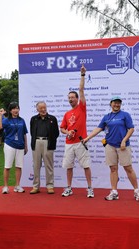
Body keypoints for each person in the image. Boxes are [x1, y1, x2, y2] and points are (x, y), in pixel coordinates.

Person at [83, 96, 139, 201]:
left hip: (123, 146)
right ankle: (114, 192)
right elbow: (98, 128)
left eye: (118, 103)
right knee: (113, 169)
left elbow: (131, 129)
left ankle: (137, 191)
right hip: (110, 145)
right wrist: (88, 138)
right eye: (115, 103)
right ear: (111, 104)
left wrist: (124, 140)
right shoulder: (107, 117)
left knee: (128, 168)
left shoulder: (125, 115)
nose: (116, 105)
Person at [60, 65, 94, 198]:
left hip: (81, 142)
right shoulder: (67, 114)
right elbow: (62, 128)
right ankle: (68, 188)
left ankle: (90, 188)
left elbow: (81, 89)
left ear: (77, 98)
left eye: (72, 97)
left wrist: (82, 75)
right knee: (68, 167)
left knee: (86, 166)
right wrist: (67, 132)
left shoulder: (82, 108)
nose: (70, 99)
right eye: (69, 97)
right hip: (69, 143)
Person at [0, 102, 28, 194]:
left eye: (17, 108)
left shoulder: (21, 120)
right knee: (7, 166)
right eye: (14, 108)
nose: (16, 110)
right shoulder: (6, 120)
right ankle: (6, 187)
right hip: (9, 145)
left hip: (20, 146)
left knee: (19, 166)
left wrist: (25, 146)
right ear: (10, 111)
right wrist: (1, 115)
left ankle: (17, 186)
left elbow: (24, 134)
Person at [30, 101, 59, 194]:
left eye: (44, 107)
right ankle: (36, 186)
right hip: (37, 142)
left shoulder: (52, 119)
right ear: (37, 109)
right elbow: (32, 132)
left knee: (49, 166)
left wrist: (50, 140)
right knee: (36, 166)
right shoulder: (33, 119)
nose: (43, 110)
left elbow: (56, 133)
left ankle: (50, 186)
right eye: (41, 108)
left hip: (48, 143)